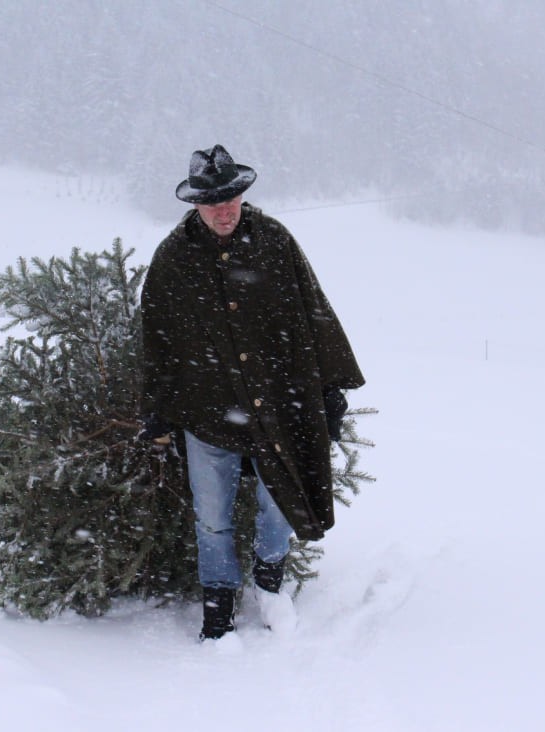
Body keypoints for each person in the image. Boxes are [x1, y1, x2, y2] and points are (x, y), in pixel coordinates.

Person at [140, 144, 364, 641]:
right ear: (195, 203)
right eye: (213, 202)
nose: (224, 211)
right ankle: (217, 607)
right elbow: (156, 340)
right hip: (207, 411)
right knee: (213, 517)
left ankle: (269, 582)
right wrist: (157, 411)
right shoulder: (174, 258)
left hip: (276, 406)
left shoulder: (273, 241)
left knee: (279, 501)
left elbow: (313, 311)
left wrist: (330, 389)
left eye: (232, 200)